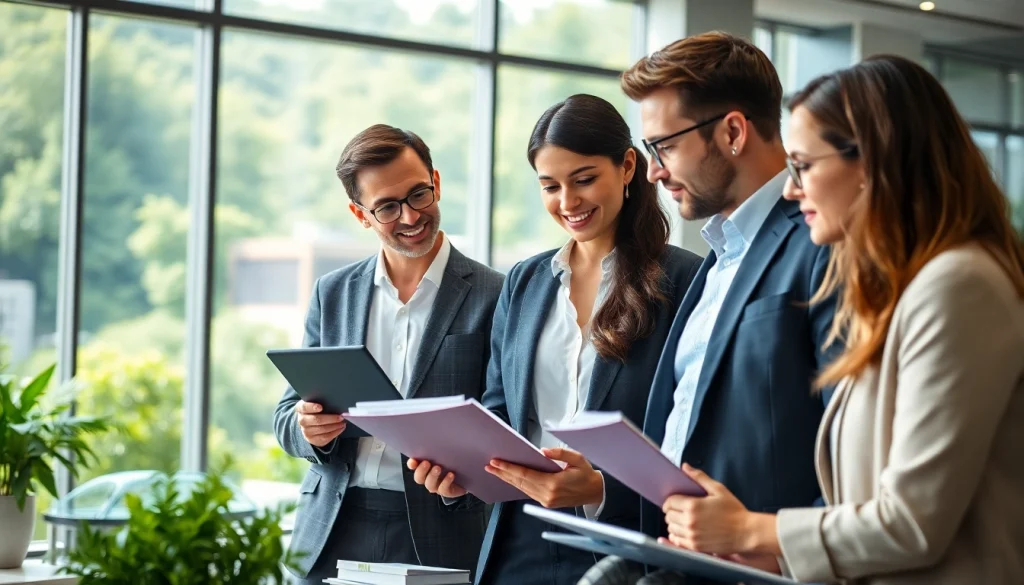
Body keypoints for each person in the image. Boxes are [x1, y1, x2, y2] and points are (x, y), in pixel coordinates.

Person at [653, 55, 1024, 584]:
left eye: (803, 166)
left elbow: (913, 522)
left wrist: (750, 530)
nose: (789, 188)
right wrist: (777, 557)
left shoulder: (959, 286)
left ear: (873, 163)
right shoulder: (900, 290)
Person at [409, 93, 703, 585]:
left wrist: (600, 488)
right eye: (550, 186)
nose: (568, 203)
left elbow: (692, 438)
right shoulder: (525, 282)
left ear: (628, 166)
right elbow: (500, 412)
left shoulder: (684, 281)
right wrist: (460, 474)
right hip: (520, 540)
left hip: (627, 544)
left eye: (584, 179)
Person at [582, 31, 840, 584]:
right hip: (680, 561)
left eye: (664, 147)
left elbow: (850, 441)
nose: (653, 171)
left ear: (732, 132)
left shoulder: (821, 244)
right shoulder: (716, 257)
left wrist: (783, 549)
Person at [272, 124, 503, 585]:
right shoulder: (333, 292)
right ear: (360, 214)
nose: (411, 216)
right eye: (387, 207)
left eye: (419, 194)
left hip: (441, 529)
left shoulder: (496, 295)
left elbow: (505, 421)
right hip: (331, 527)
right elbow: (285, 415)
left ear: (436, 182)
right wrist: (308, 430)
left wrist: (466, 483)